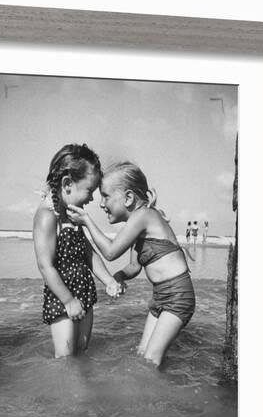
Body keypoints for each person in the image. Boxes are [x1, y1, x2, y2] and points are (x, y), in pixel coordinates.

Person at [67, 161, 195, 367]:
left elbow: (110, 252)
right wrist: (119, 277)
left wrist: (86, 221)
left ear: (128, 198)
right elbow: (134, 266)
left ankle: (157, 398)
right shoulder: (136, 224)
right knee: (142, 356)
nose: (101, 203)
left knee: (151, 359)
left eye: (105, 196)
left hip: (178, 296)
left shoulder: (143, 216)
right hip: (160, 296)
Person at [33, 143, 122, 358]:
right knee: (65, 358)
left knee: (82, 352)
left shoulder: (72, 215)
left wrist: (108, 280)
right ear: (67, 184)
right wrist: (68, 300)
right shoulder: (47, 216)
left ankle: (82, 391)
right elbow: (45, 266)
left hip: (84, 291)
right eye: (89, 191)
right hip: (61, 296)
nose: (92, 198)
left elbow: (88, 253)